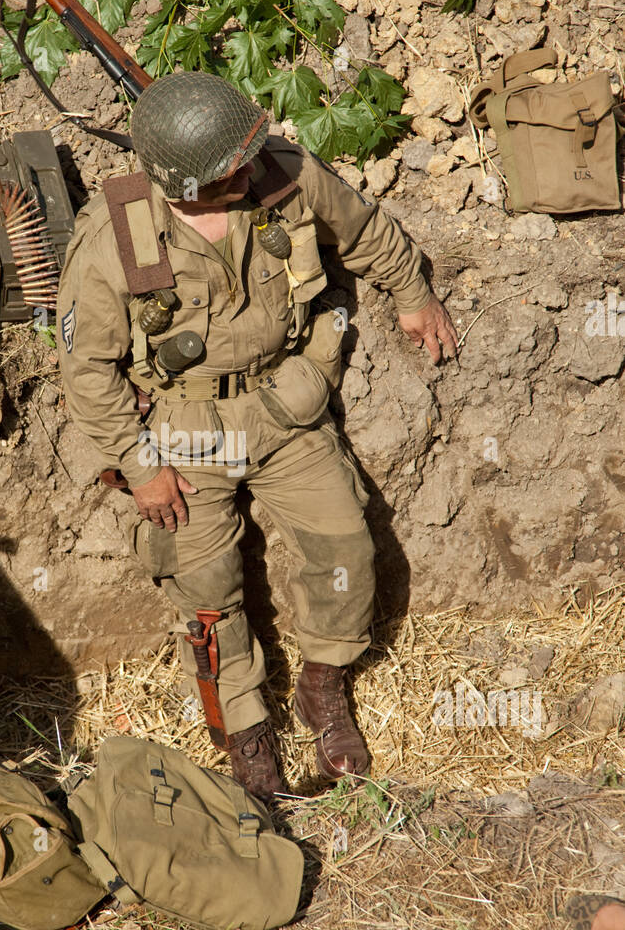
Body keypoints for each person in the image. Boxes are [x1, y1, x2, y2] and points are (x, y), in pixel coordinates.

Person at [57, 71, 458, 801]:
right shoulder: (116, 241)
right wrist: (140, 465)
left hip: (283, 406)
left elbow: (363, 232)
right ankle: (245, 735)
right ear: (185, 185)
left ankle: (322, 687)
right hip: (181, 429)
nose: (253, 168)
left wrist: (414, 294)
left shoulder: (281, 175)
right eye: (231, 169)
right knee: (207, 594)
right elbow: (87, 371)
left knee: (347, 548)